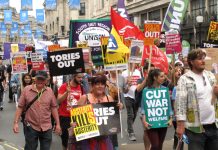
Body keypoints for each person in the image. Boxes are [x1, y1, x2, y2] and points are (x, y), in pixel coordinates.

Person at [176, 49, 218, 150]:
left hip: (213, 125)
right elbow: (180, 103)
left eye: (203, 58)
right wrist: (180, 125)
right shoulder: (185, 79)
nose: (203, 61)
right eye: (199, 59)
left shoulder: (210, 76)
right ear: (191, 61)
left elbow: (215, 98)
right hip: (195, 128)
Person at [13, 70, 61, 150]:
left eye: (43, 79)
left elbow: (53, 107)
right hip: (31, 126)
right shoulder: (26, 90)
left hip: (47, 126)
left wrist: (58, 124)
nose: (40, 81)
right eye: (38, 79)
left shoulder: (49, 91)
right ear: (34, 79)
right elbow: (20, 107)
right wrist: (15, 123)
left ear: (46, 80)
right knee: (30, 148)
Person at [73, 73, 123, 150]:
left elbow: (113, 119)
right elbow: (75, 118)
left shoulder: (109, 98)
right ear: (92, 86)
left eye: (102, 84)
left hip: (105, 138)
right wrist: (73, 123)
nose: (100, 86)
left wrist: (119, 107)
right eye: (97, 84)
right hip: (89, 140)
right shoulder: (85, 98)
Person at [141, 69, 172, 150]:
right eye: (161, 76)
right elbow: (143, 108)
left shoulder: (165, 90)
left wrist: (170, 119)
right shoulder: (146, 90)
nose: (164, 78)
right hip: (151, 122)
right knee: (155, 145)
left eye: (164, 76)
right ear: (155, 77)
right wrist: (144, 121)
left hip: (163, 122)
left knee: (159, 145)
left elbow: (169, 106)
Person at [57, 73, 84, 150]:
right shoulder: (64, 86)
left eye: (82, 77)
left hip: (77, 116)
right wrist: (66, 92)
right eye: (79, 77)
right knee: (65, 140)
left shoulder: (81, 87)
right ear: (73, 77)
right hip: (65, 117)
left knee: (77, 140)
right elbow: (58, 101)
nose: (81, 79)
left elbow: (83, 100)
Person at [122, 63, 141, 141]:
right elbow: (122, 86)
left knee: (134, 114)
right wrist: (127, 82)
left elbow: (140, 83)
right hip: (127, 96)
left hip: (136, 96)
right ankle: (131, 132)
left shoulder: (138, 72)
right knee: (130, 114)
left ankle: (130, 127)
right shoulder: (124, 73)